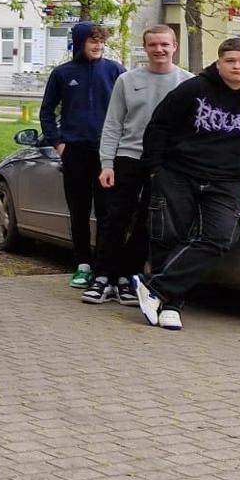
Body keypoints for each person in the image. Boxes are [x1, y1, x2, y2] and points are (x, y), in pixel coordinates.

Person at [131, 39, 240, 331]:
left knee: (221, 237)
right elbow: (159, 126)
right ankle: (171, 305)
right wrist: (155, 169)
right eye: (230, 60)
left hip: (227, 179)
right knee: (168, 236)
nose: (237, 66)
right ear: (218, 63)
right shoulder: (193, 89)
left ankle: (155, 288)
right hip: (178, 172)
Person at [84, 25, 193, 306]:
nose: (159, 50)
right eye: (153, 45)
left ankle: (127, 277)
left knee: (149, 222)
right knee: (115, 218)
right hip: (128, 158)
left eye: (165, 45)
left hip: (166, 164)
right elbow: (113, 124)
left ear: (175, 46)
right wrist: (106, 163)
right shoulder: (126, 80)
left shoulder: (188, 83)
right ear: (145, 48)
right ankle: (102, 276)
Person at [39, 22, 125, 289]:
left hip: (107, 152)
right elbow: (47, 112)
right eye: (92, 41)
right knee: (78, 209)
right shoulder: (63, 74)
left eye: (101, 41)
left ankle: (103, 266)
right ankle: (82, 264)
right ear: (79, 43)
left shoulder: (115, 71)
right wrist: (58, 143)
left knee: (106, 211)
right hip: (74, 151)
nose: (98, 46)